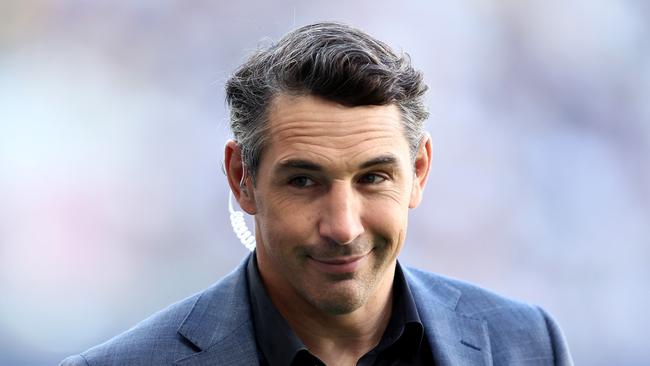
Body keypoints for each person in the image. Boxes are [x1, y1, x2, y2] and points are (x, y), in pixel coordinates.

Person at [61, 22, 573, 366]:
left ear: (419, 172)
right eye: (304, 181)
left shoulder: (525, 344)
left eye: (373, 178)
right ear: (242, 178)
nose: (343, 227)